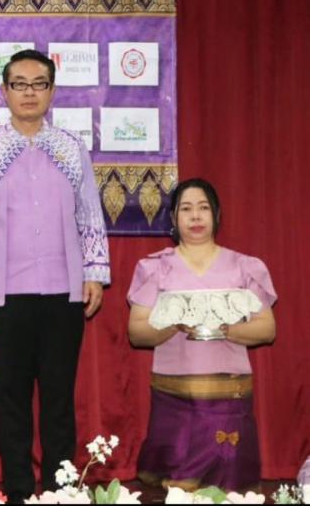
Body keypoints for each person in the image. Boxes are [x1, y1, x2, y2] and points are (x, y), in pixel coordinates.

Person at [0, 49, 110, 502]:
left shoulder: (71, 148)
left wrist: (95, 272)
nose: (29, 92)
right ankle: (20, 492)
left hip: (65, 291)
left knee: (60, 400)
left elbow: (90, 214)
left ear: (52, 91)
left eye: (38, 83)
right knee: (13, 400)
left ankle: (62, 493)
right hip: (5, 294)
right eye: (19, 84)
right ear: (4, 91)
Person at [127, 178, 277, 492]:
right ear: (173, 218)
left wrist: (227, 329)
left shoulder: (244, 267)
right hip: (174, 397)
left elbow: (267, 328)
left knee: (230, 487)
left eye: (203, 208)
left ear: (216, 215)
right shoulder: (155, 268)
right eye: (186, 209)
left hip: (228, 396)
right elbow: (136, 332)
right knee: (176, 487)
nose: (195, 216)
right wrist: (174, 323)